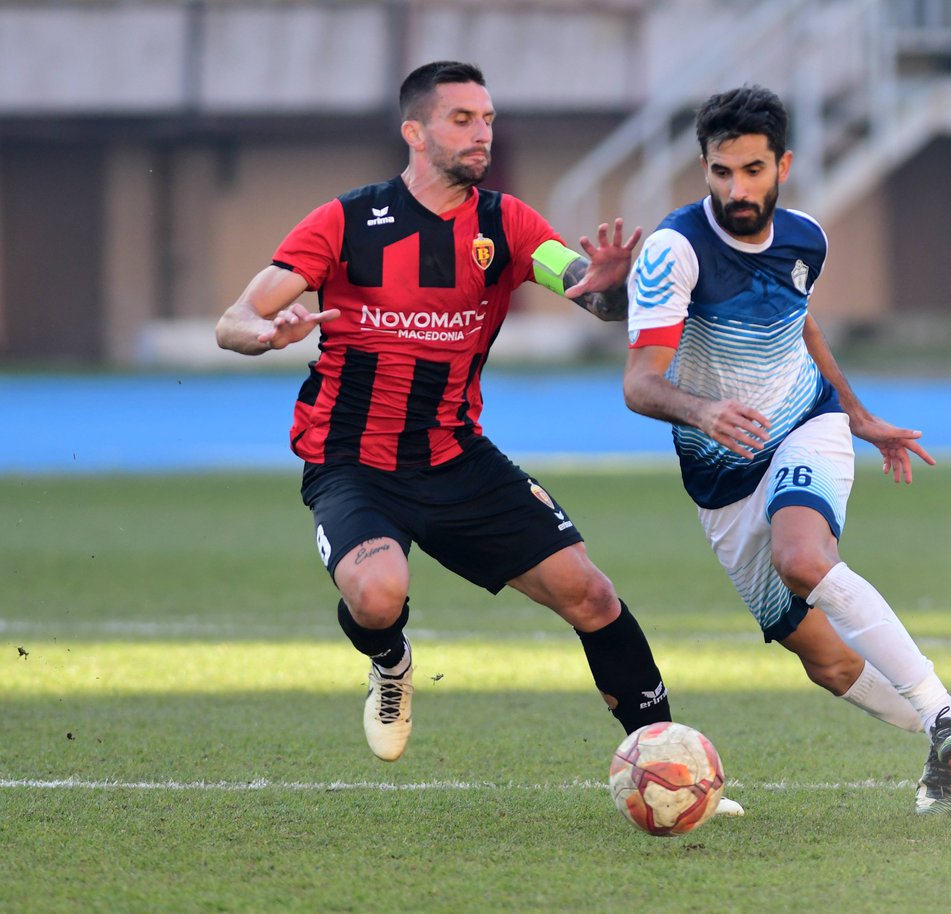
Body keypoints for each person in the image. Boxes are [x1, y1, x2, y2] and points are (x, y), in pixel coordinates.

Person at [213, 60, 680, 766]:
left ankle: (666, 759)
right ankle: (390, 661)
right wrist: (263, 334)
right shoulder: (346, 220)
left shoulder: (509, 223)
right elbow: (235, 319)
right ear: (414, 131)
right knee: (377, 595)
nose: (481, 133)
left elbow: (587, 292)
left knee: (591, 594)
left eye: (487, 119)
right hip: (352, 463)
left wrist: (611, 290)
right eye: (462, 119)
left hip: (456, 457)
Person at [622, 84, 951, 817]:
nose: (737, 188)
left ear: (783, 164)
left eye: (753, 170)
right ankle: (936, 732)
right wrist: (703, 411)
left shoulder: (806, 239)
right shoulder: (674, 251)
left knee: (803, 556)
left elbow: (803, 326)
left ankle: (946, 714)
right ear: (703, 165)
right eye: (721, 171)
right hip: (721, 477)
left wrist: (858, 415)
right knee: (826, 662)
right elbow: (640, 384)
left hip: (804, 424)